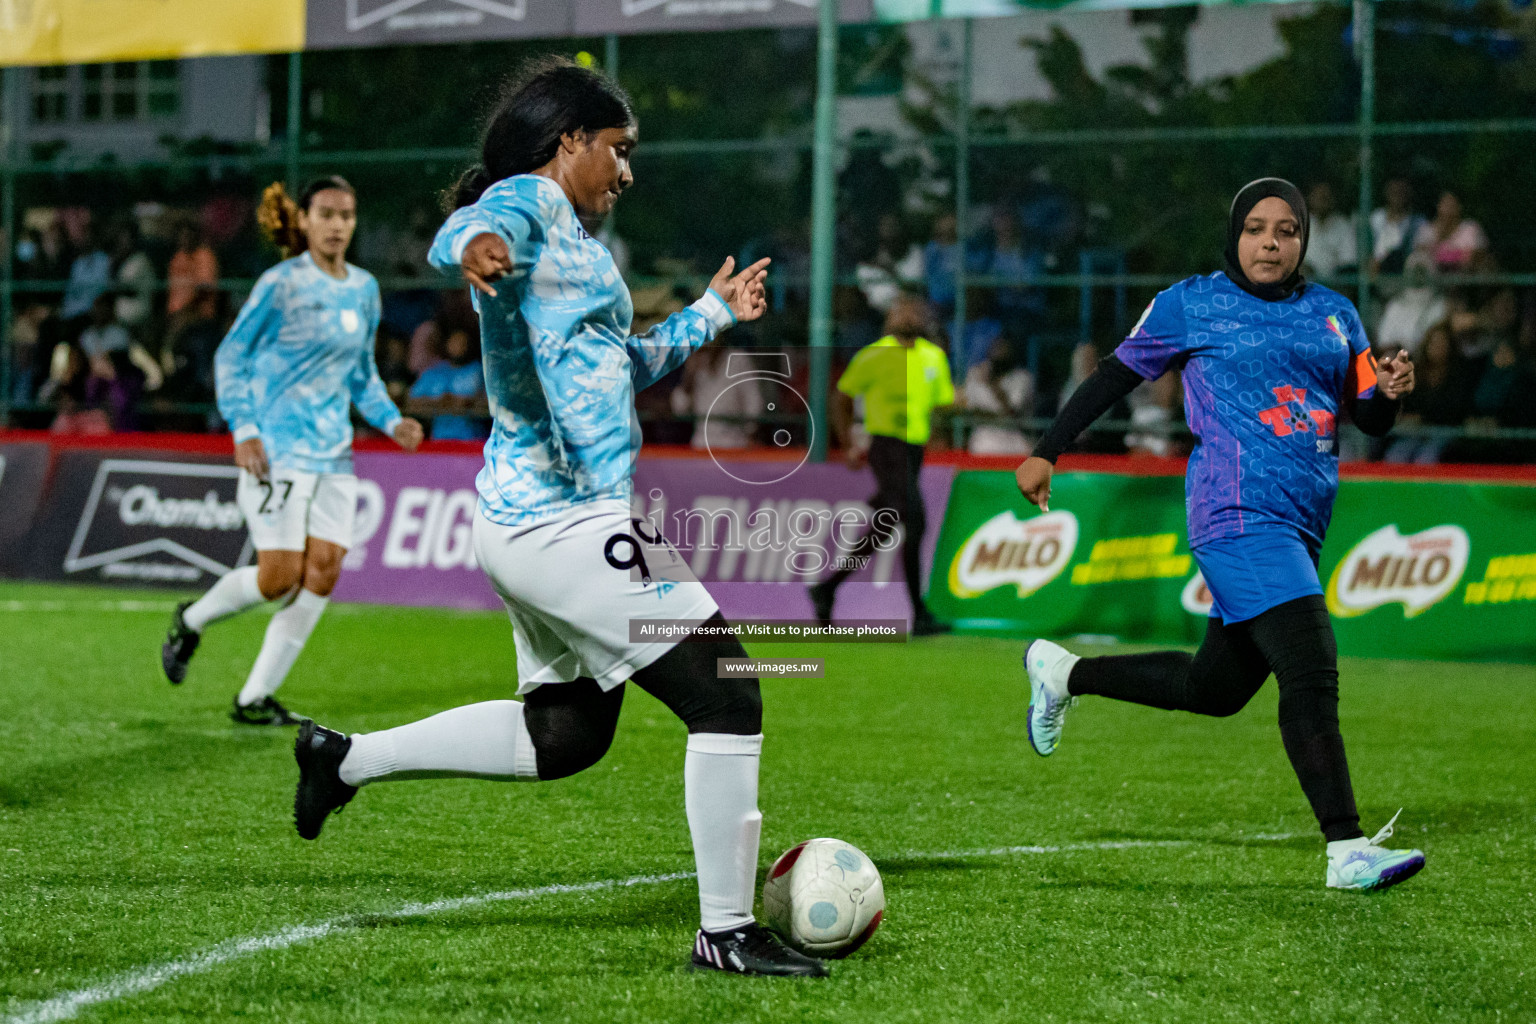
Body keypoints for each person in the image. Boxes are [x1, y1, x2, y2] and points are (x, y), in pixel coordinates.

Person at [282, 58, 824, 979]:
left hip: (537, 519)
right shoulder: (528, 205)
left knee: (566, 737)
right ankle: (726, 930)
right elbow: (470, 220)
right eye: (617, 149)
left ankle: (343, 759)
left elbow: (623, 363)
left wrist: (709, 312)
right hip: (559, 521)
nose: (626, 170)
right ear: (568, 141)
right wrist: (470, 245)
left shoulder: (578, 243)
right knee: (727, 686)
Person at [1013, 178, 1426, 893]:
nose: (1271, 241)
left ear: (1302, 240)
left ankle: (1065, 674)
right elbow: (1114, 375)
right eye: (1257, 228)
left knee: (1217, 689)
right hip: (1234, 517)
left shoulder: (1337, 317)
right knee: (1309, 665)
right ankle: (1346, 848)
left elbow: (1369, 417)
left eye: (1287, 230)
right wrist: (1048, 447)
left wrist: (1386, 392)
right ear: (1235, 235)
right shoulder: (1191, 303)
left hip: (1299, 524)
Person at [160, 177, 424, 725]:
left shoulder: (364, 289)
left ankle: (254, 697)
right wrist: (244, 429)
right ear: (302, 220)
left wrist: (391, 420)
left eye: (346, 216)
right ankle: (191, 620)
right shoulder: (281, 284)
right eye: (325, 213)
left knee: (323, 571)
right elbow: (231, 356)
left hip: (334, 456)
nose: (337, 225)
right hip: (276, 451)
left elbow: (361, 375)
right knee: (278, 576)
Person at [810, 293, 955, 636]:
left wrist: (945, 428)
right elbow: (840, 399)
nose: (909, 315)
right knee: (914, 521)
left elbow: (941, 405)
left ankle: (826, 588)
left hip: (913, 451)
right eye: (902, 310)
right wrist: (847, 444)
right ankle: (919, 614)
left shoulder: (934, 356)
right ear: (889, 319)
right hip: (886, 447)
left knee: (885, 526)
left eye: (915, 309)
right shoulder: (874, 355)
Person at [407, 326, 489, 441]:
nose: (458, 347)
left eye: (463, 344)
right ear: (446, 344)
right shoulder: (434, 371)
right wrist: (438, 401)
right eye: (454, 342)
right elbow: (412, 400)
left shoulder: (478, 371)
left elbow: (488, 402)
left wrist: (467, 402)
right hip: (439, 438)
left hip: (471, 439)